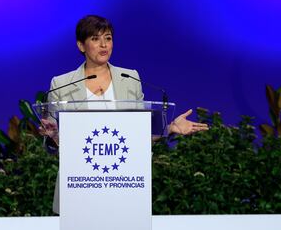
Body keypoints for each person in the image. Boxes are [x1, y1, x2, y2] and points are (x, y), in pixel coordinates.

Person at [41, 15, 209, 214]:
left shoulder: (130, 79)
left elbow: (137, 136)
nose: (104, 45)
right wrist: (52, 137)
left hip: (123, 182)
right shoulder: (61, 84)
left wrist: (169, 127)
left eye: (108, 38)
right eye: (95, 39)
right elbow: (53, 145)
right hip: (79, 183)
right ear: (81, 45)